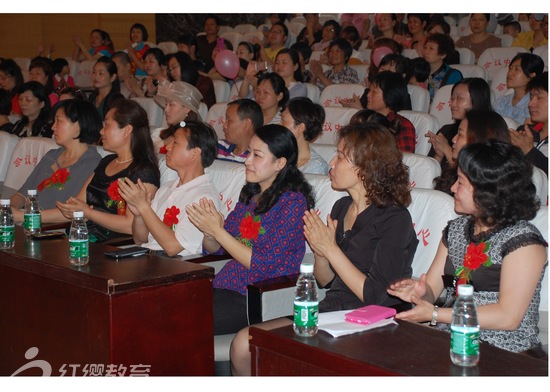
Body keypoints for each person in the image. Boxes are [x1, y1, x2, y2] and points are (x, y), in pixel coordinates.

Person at [230, 122, 419, 376]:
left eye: (341, 157)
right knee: (245, 343)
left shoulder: (395, 219)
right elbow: (326, 281)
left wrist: (330, 250)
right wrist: (320, 253)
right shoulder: (341, 207)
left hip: (370, 321)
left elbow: (377, 297)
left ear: (365, 167)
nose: (331, 163)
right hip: (332, 310)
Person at [388, 139, 547, 356]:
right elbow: (433, 289)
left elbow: (508, 317)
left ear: (488, 190)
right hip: (452, 338)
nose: (452, 188)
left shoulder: (523, 241)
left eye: (461, 182)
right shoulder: (456, 230)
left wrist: (435, 314)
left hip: (507, 349)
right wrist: (420, 294)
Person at [186, 124, 315, 337]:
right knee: (167, 307)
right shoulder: (251, 194)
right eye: (248, 153)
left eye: (257, 155)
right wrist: (210, 232)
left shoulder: (293, 203)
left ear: (279, 163)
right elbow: (217, 249)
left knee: (182, 319)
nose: (247, 160)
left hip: (258, 295)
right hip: (228, 284)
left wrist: (219, 233)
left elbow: (264, 263)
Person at [55, 99, 160, 243]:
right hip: (81, 236)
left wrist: (88, 212)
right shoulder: (106, 161)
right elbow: (79, 202)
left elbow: (130, 225)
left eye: (107, 125)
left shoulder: (143, 171)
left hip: (111, 246)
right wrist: (74, 209)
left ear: (127, 130)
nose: (101, 131)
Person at [118, 121, 220, 257]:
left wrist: (144, 207)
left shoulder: (204, 199)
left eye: (175, 143)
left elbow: (172, 247)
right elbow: (140, 239)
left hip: (174, 266)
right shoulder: (166, 188)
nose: (167, 147)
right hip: (149, 258)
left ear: (195, 153)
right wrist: (138, 215)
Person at [10, 99, 102, 219]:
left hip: (58, 232)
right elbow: (22, 195)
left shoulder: (93, 164)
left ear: (77, 127)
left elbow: (72, 212)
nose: (53, 127)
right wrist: (9, 208)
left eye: (59, 121)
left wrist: (24, 216)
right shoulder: (51, 156)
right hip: (30, 224)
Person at [434, 110, 511, 195]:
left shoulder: (491, 191)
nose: (454, 139)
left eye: (460, 134)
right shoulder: (452, 174)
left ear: (478, 141)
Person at [426, 78, 493, 171]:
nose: (453, 104)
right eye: (452, 98)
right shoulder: (446, 131)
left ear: (477, 100)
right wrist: (439, 156)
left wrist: (447, 150)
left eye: (460, 99)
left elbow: (475, 175)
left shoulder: (488, 134)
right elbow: (428, 175)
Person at [365, 71, 416, 153]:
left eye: (374, 92)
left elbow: (405, 159)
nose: (368, 95)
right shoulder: (364, 119)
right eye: (369, 90)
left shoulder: (402, 124)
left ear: (390, 95)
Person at [510, 72, 548, 176]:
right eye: (531, 97)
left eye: (539, 98)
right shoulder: (525, 132)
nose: (531, 104)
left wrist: (530, 151)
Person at [280, 97, 328, 174]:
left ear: (300, 127)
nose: (279, 125)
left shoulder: (316, 167)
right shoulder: (275, 154)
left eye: (283, 121)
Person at [494, 53, 544, 125]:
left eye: (517, 69)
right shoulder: (501, 101)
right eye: (510, 68)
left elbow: (526, 133)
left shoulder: (534, 105)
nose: (510, 73)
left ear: (532, 75)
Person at [217, 98, 263, 163]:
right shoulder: (219, 147)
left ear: (247, 124)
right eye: (225, 119)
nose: (224, 125)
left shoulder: (257, 160)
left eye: (229, 120)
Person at [423, 33, 463, 101]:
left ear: (443, 55)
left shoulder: (453, 75)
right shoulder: (419, 70)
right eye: (425, 47)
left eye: (431, 48)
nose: (426, 51)